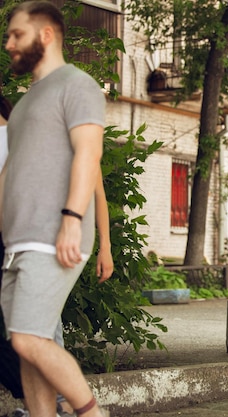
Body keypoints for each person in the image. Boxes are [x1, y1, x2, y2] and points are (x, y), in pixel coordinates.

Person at [0, 2, 109, 416]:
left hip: (53, 236)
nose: (9, 43)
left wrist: (71, 220)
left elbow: (89, 153)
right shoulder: (26, 103)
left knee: (28, 338)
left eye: (16, 34)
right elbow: (12, 174)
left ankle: (92, 413)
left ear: (45, 35)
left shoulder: (75, 84)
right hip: (19, 242)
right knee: (25, 347)